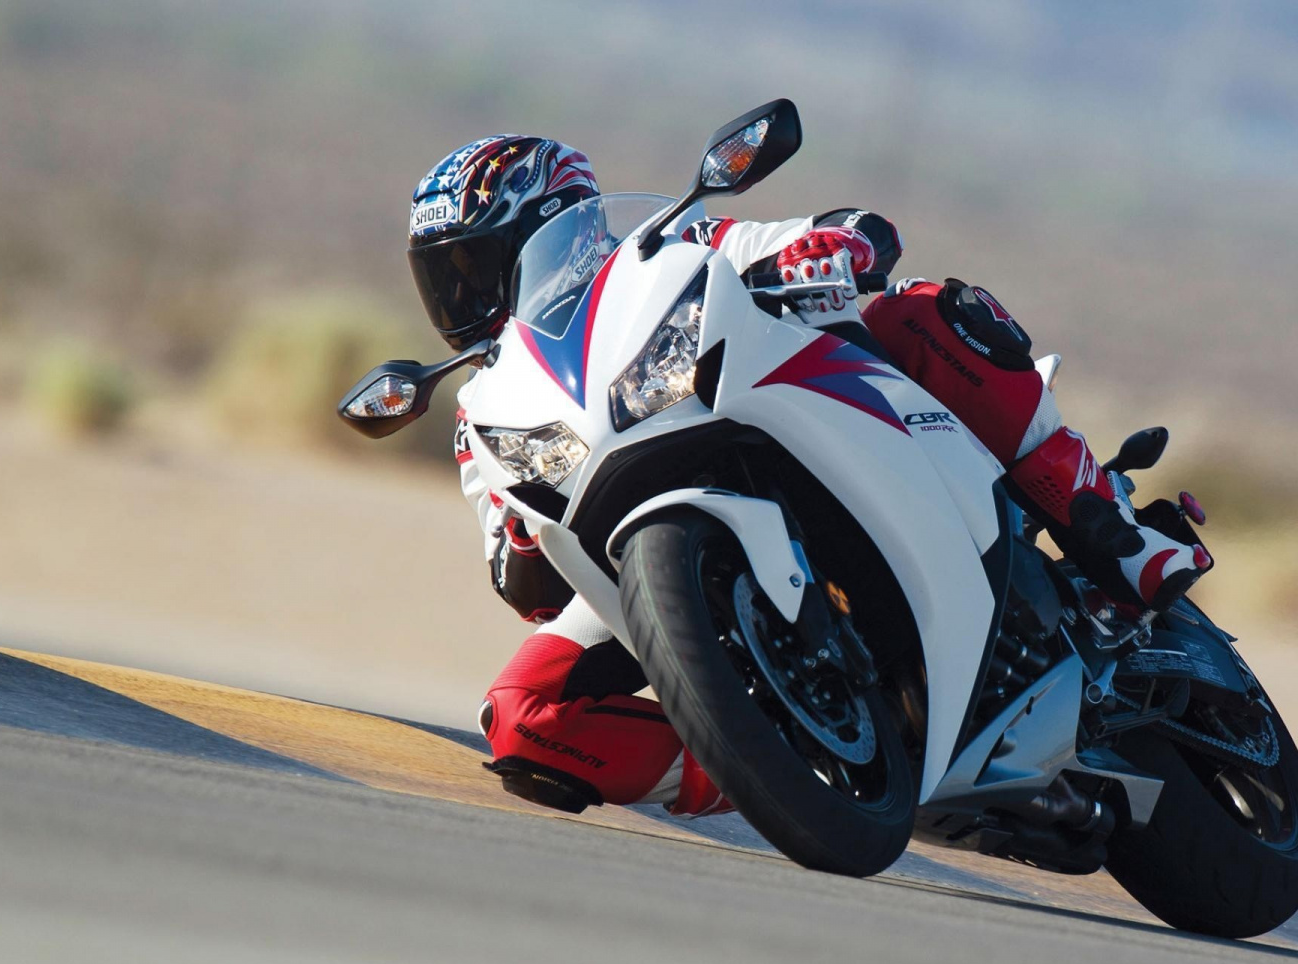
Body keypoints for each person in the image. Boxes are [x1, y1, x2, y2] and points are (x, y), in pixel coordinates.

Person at [405, 134, 1209, 815]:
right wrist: (522, 533)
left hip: (780, 423)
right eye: (447, 278)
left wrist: (835, 244)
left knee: (923, 311)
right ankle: (770, 765)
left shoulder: (671, 255)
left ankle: (1119, 538)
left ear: (562, 231)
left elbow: (849, 232)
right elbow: (519, 583)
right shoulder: (486, 409)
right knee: (524, 716)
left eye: (478, 267)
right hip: (631, 536)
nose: (464, 295)